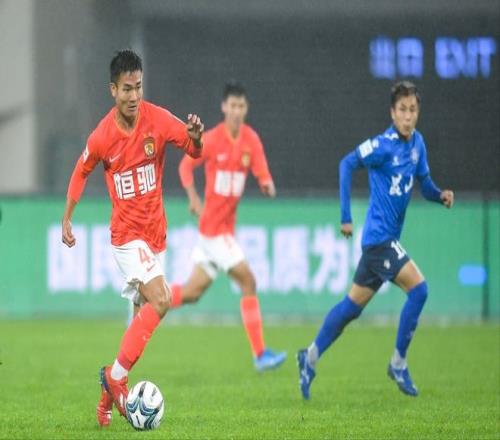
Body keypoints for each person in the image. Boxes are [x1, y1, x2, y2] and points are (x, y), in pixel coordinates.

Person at [61, 49, 204, 426]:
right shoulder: (103, 136)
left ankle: (106, 397)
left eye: (138, 87)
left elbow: (193, 150)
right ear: (113, 90)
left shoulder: (158, 119)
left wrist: (196, 140)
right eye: (127, 88)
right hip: (126, 238)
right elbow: (80, 171)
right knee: (163, 299)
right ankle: (115, 380)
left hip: (155, 238)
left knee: (138, 331)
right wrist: (67, 218)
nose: (134, 95)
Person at [297, 81, 454, 399]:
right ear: (392, 113)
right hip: (380, 240)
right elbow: (346, 163)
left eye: (412, 110)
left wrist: (439, 195)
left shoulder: (417, 144)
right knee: (419, 290)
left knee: (350, 308)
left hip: (382, 244)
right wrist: (345, 216)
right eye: (402, 110)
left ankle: (309, 357)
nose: (408, 116)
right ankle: (398, 363)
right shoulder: (382, 146)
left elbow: (423, 183)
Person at [169, 81, 286, 372]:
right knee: (249, 282)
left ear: (246, 108)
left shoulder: (251, 140)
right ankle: (260, 354)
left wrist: (267, 184)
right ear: (224, 107)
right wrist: (193, 197)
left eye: (241, 106)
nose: (236, 111)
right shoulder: (211, 140)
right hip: (214, 231)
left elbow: (262, 172)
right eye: (232, 105)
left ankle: (148, 301)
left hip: (220, 232)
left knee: (191, 293)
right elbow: (185, 166)